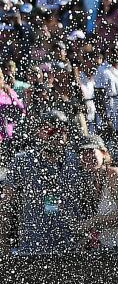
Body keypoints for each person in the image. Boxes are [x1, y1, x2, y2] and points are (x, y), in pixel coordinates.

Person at [0, 109, 87, 256]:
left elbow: (89, 201)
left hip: (71, 246)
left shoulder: (76, 161)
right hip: (33, 245)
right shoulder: (23, 161)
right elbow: (6, 203)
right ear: (37, 133)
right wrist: (2, 240)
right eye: (48, 129)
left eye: (61, 129)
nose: (55, 133)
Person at [72, 132, 118, 255]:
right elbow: (106, 221)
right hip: (107, 249)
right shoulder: (93, 181)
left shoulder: (115, 174)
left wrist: (93, 222)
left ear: (103, 153)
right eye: (82, 153)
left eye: (90, 151)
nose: (86, 156)